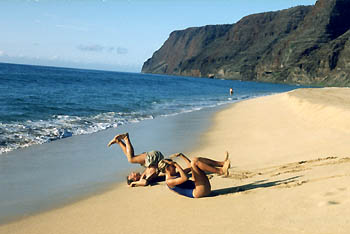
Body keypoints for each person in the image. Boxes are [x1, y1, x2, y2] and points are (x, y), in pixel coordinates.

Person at [158, 152, 230, 198]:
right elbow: (185, 178)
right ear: (167, 169)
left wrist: (182, 155)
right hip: (198, 192)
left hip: (201, 188)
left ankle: (222, 164)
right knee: (195, 162)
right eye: (172, 166)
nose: (174, 167)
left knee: (195, 160)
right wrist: (176, 164)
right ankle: (220, 171)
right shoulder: (169, 181)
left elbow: (190, 167)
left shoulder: (175, 174)